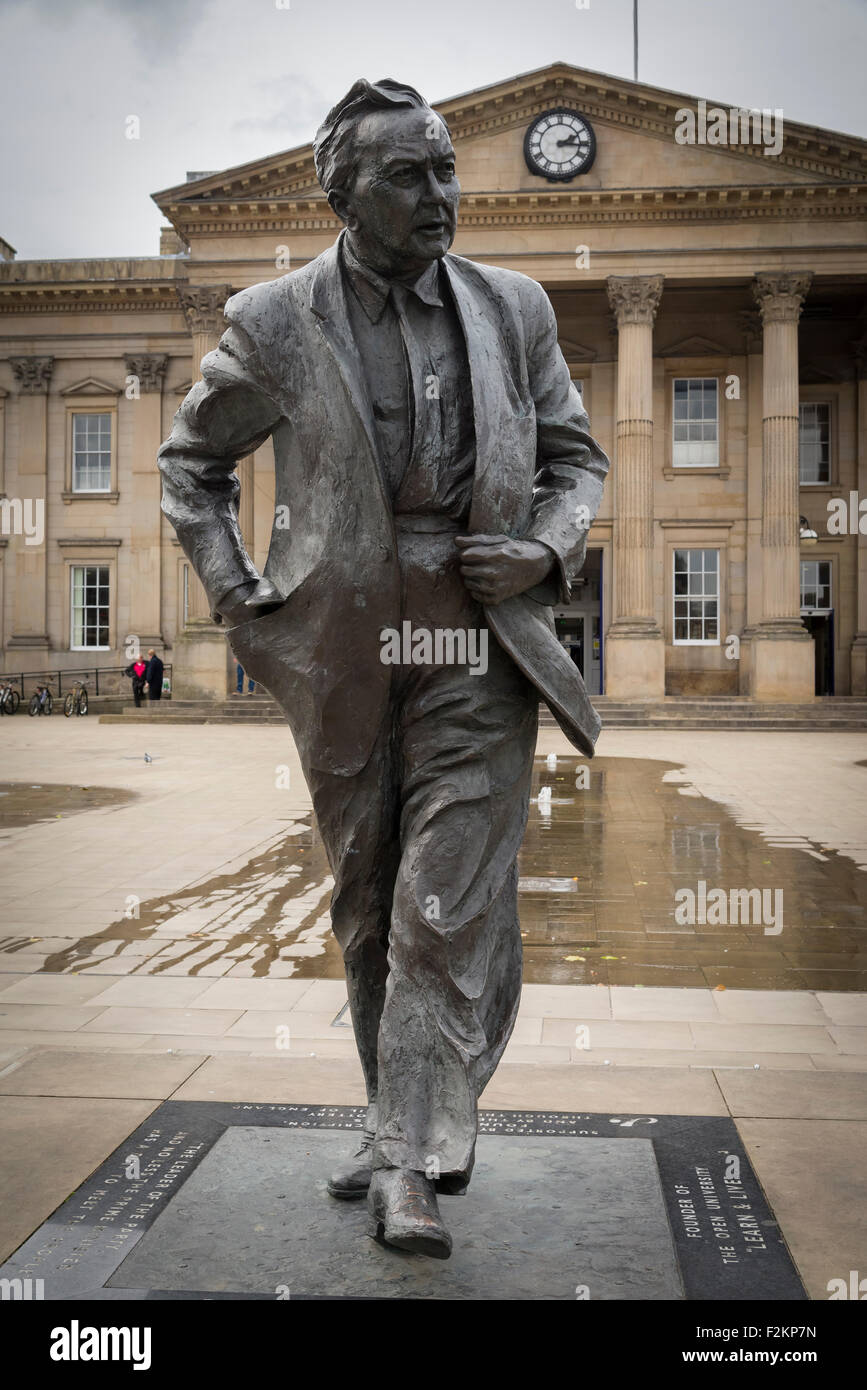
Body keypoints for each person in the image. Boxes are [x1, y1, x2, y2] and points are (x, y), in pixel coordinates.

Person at [158, 78, 608, 1260]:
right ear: (343, 191)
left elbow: (578, 462)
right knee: (366, 907)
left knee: (437, 908)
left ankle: (409, 1159)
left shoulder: (514, 309)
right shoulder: (273, 319)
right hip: (344, 647)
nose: (441, 194)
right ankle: (389, 1114)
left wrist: (548, 547)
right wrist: (234, 589)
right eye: (409, 175)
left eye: (448, 169)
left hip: (475, 640)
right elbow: (187, 467)